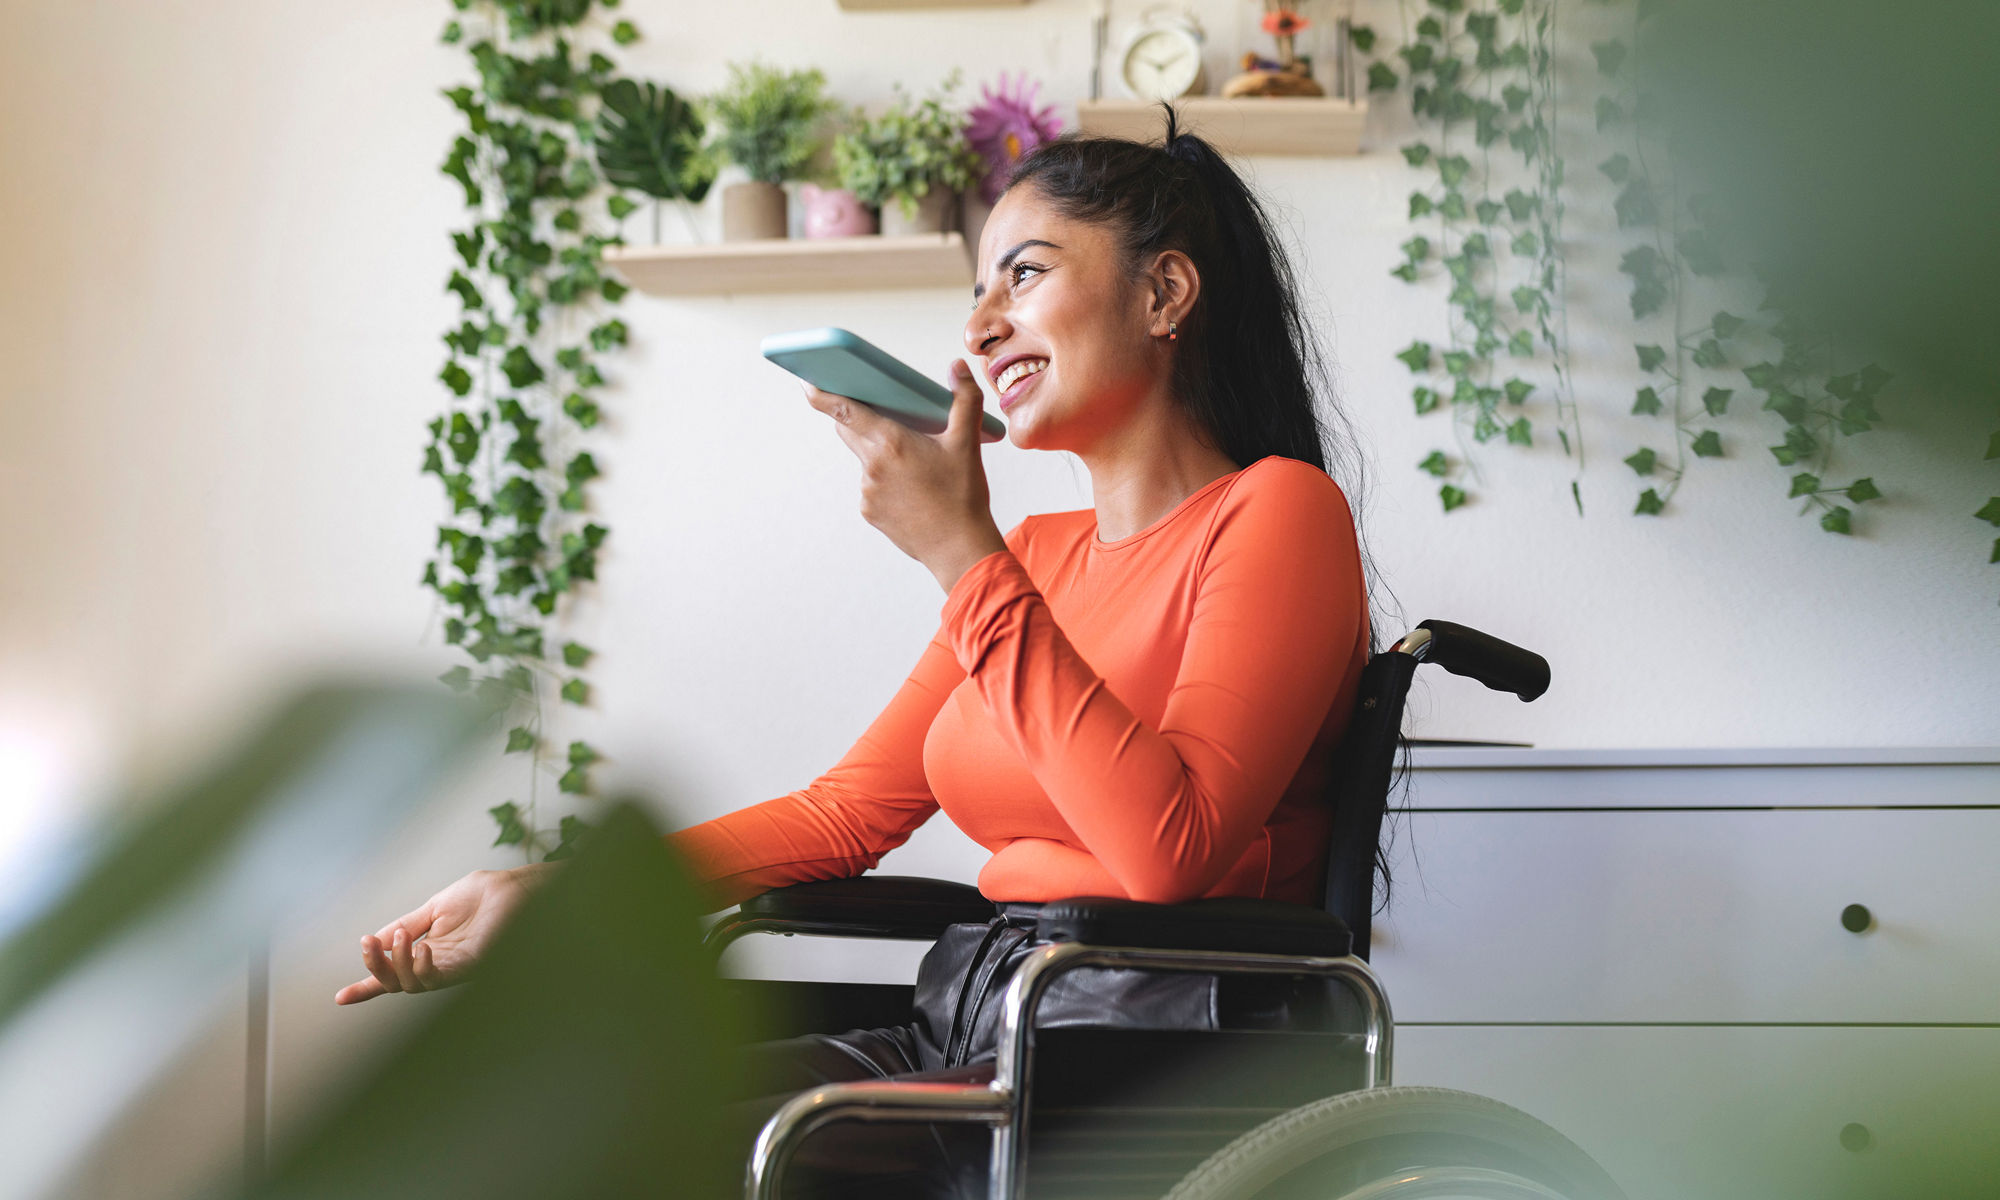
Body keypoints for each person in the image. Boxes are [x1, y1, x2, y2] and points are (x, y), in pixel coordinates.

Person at [336, 106, 1380, 1195]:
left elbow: (1170, 852)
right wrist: (547, 892)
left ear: (1162, 293)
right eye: (975, 290)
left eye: (1019, 276)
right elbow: (846, 813)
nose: (978, 328)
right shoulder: (1035, 555)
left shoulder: (1274, 513)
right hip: (973, 1021)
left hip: (1147, 1054)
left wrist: (962, 557)